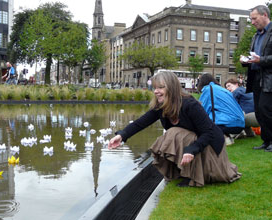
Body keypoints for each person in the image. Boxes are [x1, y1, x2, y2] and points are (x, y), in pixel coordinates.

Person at [108, 71, 241, 187]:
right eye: (155, 87)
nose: (156, 91)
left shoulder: (189, 104)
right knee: (174, 134)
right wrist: (122, 135)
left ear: (171, 88)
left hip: (209, 146)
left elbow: (209, 132)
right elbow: (140, 123)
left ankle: (193, 174)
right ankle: (185, 172)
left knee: (174, 133)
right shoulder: (161, 106)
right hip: (194, 144)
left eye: (161, 87)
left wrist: (192, 150)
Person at [240, 5, 272, 152]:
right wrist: (246, 60)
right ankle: (266, 141)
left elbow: (263, 58)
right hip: (257, 77)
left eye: (254, 18)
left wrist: (261, 60)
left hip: (269, 77)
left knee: (266, 109)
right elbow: (255, 56)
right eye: (251, 19)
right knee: (259, 110)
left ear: (264, 15)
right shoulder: (255, 36)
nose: (252, 22)